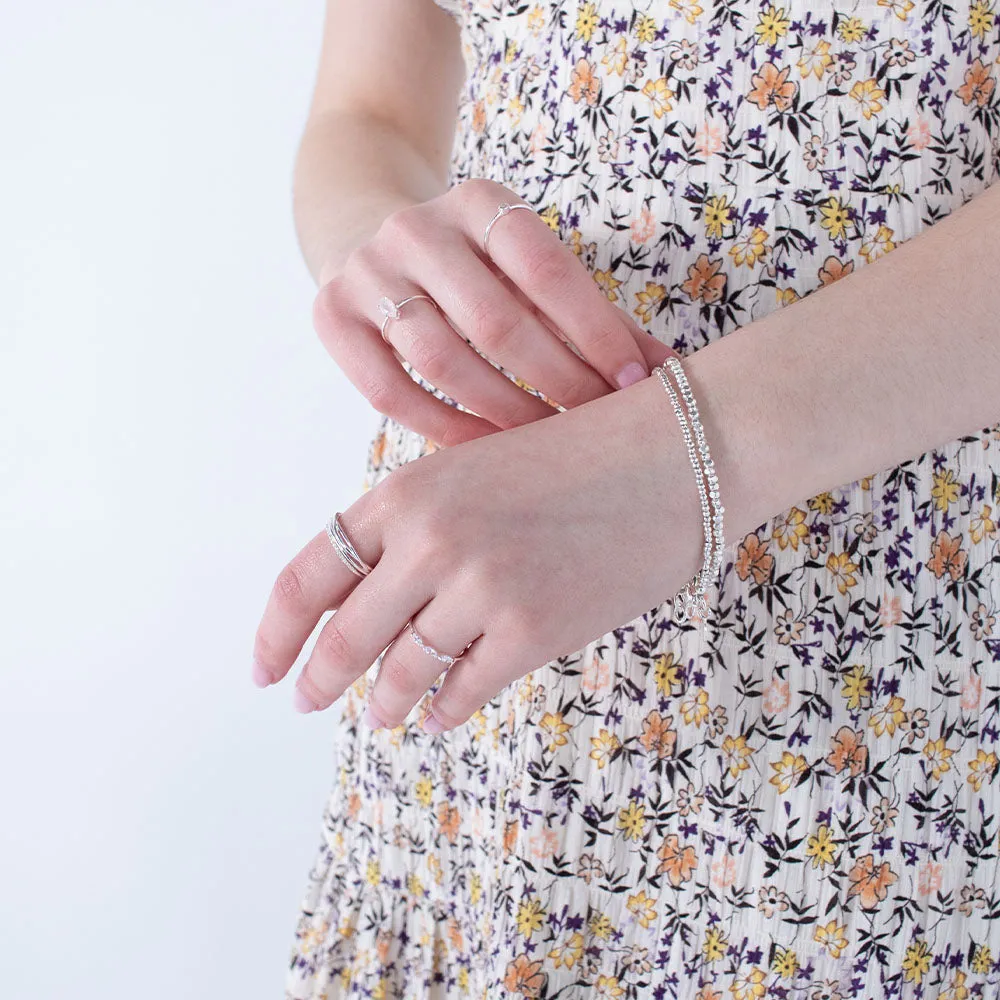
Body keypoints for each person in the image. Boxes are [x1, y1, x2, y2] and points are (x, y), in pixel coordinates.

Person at [253, 1, 1000, 996]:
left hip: (892, 717)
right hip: (497, 709)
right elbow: (366, 113)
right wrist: (380, 252)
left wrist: (678, 455)